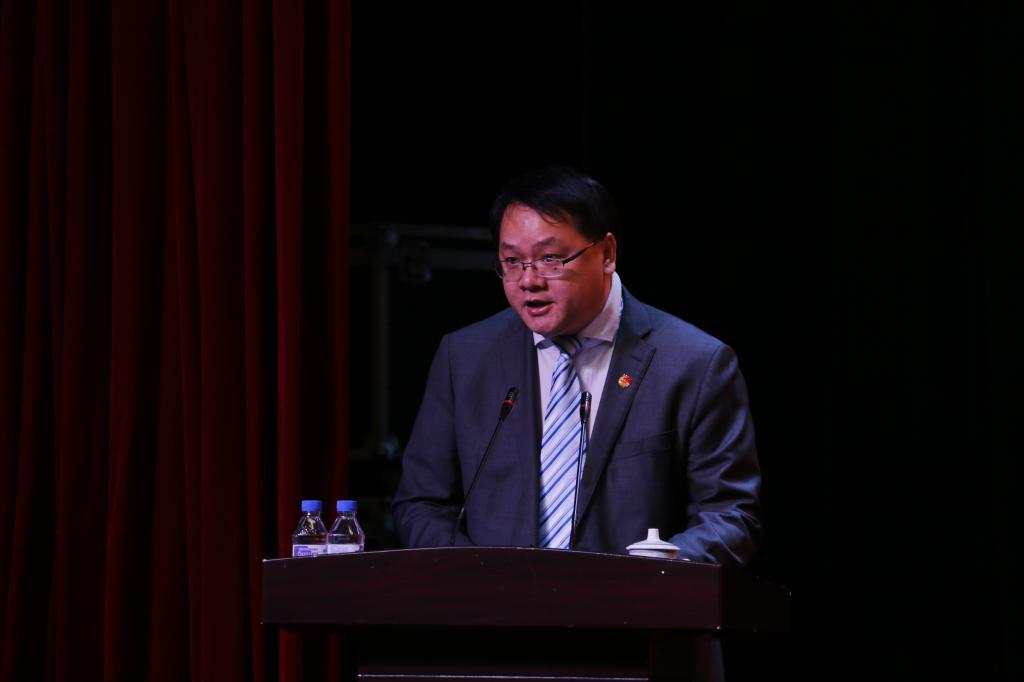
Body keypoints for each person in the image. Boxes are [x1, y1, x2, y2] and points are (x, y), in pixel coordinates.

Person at [391, 166, 762, 566]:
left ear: (607, 254)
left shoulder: (693, 364)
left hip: (633, 604)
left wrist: (653, 576)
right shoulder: (464, 357)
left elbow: (730, 516)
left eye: (550, 258)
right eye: (512, 261)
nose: (528, 280)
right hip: (495, 604)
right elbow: (421, 505)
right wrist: (484, 579)